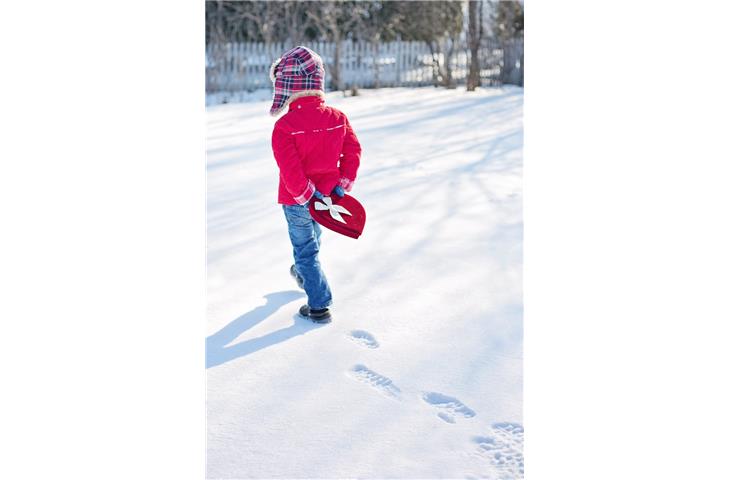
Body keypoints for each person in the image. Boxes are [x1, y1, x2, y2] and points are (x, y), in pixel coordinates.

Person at [269, 46, 362, 323]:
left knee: (305, 248)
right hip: (327, 197)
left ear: (287, 86)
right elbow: (353, 150)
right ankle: (304, 272)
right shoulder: (337, 117)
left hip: (297, 199)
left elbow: (290, 168)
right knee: (313, 238)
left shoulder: (285, 126)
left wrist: (304, 194)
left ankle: (319, 303)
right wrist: (343, 180)